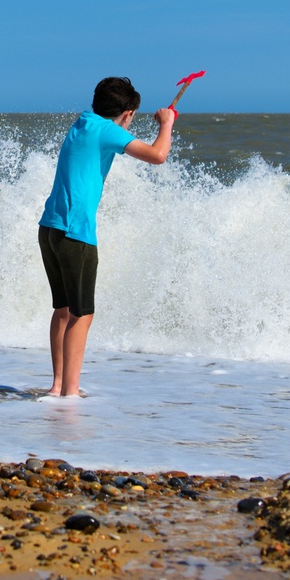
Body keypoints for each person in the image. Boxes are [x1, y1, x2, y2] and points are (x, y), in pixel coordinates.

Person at [38, 76, 176, 398]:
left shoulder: (83, 123)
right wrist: (167, 123)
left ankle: (57, 385)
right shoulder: (107, 130)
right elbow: (158, 155)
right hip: (75, 234)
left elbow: (115, 138)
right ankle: (70, 393)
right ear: (127, 114)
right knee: (82, 314)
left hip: (50, 228)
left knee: (63, 309)